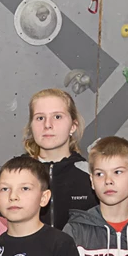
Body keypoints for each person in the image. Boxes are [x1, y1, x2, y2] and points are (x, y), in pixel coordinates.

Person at [21, 88, 94, 228]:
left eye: (57, 117)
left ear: (73, 126)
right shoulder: (13, 173)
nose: (47, 125)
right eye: (40, 118)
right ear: (31, 126)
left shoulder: (91, 174)